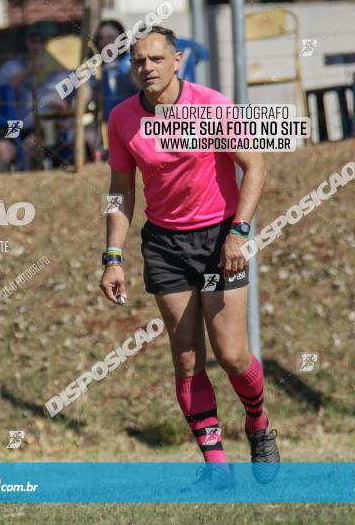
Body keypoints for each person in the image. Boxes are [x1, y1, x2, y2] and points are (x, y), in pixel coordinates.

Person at [99, 26, 279, 490]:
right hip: (164, 246)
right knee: (186, 360)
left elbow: (254, 164)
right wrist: (112, 256)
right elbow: (120, 191)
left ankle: (257, 422)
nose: (147, 68)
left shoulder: (211, 105)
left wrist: (239, 231)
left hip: (219, 241)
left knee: (234, 355)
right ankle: (217, 465)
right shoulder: (120, 118)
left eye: (156, 59)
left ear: (177, 60)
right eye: (138, 61)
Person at [0, 21, 71, 171]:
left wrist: (64, 110)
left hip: (51, 128)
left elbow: (76, 105)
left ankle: (28, 188)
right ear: (26, 42)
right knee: (1, 150)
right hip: (15, 126)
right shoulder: (12, 67)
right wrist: (27, 72)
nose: (38, 46)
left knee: (32, 144)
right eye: (33, 40)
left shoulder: (64, 72)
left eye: (44, 41)